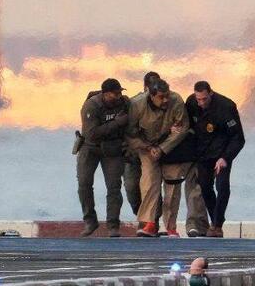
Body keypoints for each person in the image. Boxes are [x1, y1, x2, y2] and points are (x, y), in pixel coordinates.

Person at [126, 79, 190, 237]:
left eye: (167, 95)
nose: (166, 100)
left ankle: (171, 227)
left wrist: (163, 148)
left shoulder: (176, 100)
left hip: (171, 147)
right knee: (149, 183)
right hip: (147, 147)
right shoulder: (136, 104)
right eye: (161, 97)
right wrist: (148, 147)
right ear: (151, 95)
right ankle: (150, 223)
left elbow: (182, 128)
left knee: (172, 186)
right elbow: (130, 133)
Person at [185, 81, 245, 238]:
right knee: (205, 187)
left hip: (222, 153)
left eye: (204, 99)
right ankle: (215, 221)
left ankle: (217, 224)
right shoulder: (191, 102)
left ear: (210, 93)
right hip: (203, 153)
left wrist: (225, 158)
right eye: (198, 99)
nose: (201, 103)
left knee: (222, 186)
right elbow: (187, 125)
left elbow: (238, 138)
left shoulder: (226, 106)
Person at [77, 78, 130, 237]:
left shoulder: (124, 103)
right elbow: (91, 134)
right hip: (90, 147)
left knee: (114, 186)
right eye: (114, 94)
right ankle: (90, 221)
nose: (118, 96)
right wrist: (116, 123)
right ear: (105, 94)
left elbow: (131, 123)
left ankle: (113, 225)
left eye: (120, 93)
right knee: (84, 184)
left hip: (112, 148)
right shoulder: (91, 106)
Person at [123, 71, 162, 216]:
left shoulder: (164, 103)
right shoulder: (134, 103)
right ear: (145, 87)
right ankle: (140, 215)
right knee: (131, 187)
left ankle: (152, 220)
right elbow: (126, 130)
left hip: (153, 153)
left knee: (152, 187)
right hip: (133, 154)